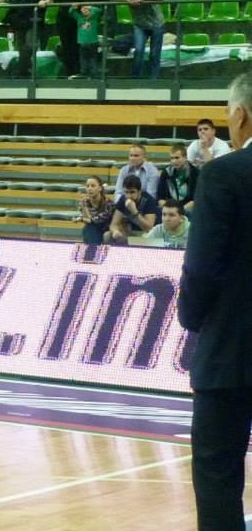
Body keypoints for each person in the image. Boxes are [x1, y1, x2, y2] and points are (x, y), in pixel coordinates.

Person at [178, 70, 252, 531]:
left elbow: (201, 265)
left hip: (232, 350)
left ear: (241, 115)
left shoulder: (225, 174)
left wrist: (191, 317)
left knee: (218, 475)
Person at [110, 0, 166, 80]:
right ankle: (135, 79)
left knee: (155, 53)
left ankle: (153, 80)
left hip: (156, 23)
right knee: (139, 50)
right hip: (140, 25)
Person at [107, 175, 158, 243]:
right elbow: (113, 224)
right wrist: (115, 231)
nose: (129, 196)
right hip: (132, 231)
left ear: (139, 191)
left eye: (132, 192)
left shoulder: (148, 200)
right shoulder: (123, 199)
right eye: (126, 192)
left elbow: (149, 229)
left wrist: (135, 212)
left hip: (150, 234)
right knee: (107, 235)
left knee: (145, 236)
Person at [157, 143, 199, 213]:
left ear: (185, 157)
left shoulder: (195, 173)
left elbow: (196, 199)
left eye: (177, 158)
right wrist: (169, 209)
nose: (174, 161)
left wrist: (180, 211)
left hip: (188, 208)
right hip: (169, 207)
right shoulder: (166, 172)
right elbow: (160, 198)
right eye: (172, 158)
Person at [75, 175, 114, 244]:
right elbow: (89, 221)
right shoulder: (85, 202)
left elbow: (95, 220)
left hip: (107, 230)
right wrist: (84, 207)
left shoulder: (108, 204)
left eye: (93, 186)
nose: (90, 189)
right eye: (87, 186)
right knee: (88, 228)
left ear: (100, 188)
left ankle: (92, 251)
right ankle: (92, 250)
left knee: (89, 229)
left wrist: (81, 219)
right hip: (94, 230)